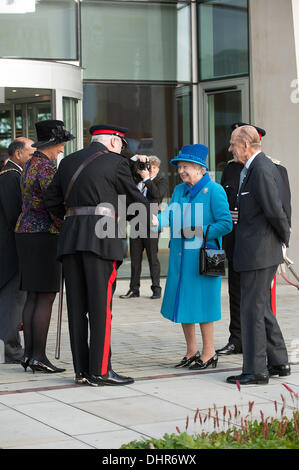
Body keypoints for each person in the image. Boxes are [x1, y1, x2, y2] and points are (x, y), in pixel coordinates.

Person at [44, 124, 152, 387]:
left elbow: (51, 201)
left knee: (78, 308)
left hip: (71, 239)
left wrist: (74, 219)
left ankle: (82, 370)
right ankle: (101, 370)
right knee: (100, 308)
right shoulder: (116, 162)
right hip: (102, 240)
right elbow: (138, 204)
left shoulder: (67, 162)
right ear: (114, 142)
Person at [155, 144, 232, 370]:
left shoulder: (215, 191)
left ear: (200, 168)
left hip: (205, 256)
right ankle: (191, 351)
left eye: (185, 166)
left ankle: (209, 353)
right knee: (183, 302)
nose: (181, 171)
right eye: (179, 167)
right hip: (181, 255)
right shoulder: (180, 190)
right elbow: (170, 213)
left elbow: (225, 224)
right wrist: (156, 221)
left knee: (204, 304)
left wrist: (197, 230)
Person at [217, 122, 292, 356]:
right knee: (249, 302)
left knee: (255, 307)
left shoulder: (265, 168)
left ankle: (257, 365)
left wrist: (282, 242)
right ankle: (276, 359)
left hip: (259, 247)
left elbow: (278, 210)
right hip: (240, 244)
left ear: (247, 144)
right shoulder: (235, 169)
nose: (230, 149)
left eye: (233, 144)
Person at [15, 120, 74, 374]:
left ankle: (29, 355)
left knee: (33, 295)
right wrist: (65, 224)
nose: (62, 149)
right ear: (52, 143)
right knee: (46, 295)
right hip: (44, 234)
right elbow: (54, 203)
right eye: (61, 144)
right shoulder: (47, 167)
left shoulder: (30, 164)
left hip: (25, 232)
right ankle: (38, 355)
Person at [0, 138, 35, 363]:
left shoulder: (12, 174)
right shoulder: (12, 177)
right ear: (18, 154)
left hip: (8, 248)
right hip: (11, 249)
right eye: (31, 152)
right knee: (13, 301)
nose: (34, 156)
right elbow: (16, 215)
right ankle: (10, 349)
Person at [120, 155, 168, 299]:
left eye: (153, 167)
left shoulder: (161, 181)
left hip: (151, 224)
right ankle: (134, 289)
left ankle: (156, 288)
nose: (150, 170)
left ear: (158, 169)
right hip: (136, 223)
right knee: (135, 258)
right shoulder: (137, 181)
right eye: (148, 167)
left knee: (153, 257)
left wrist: (147, 179)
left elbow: (156, 194)